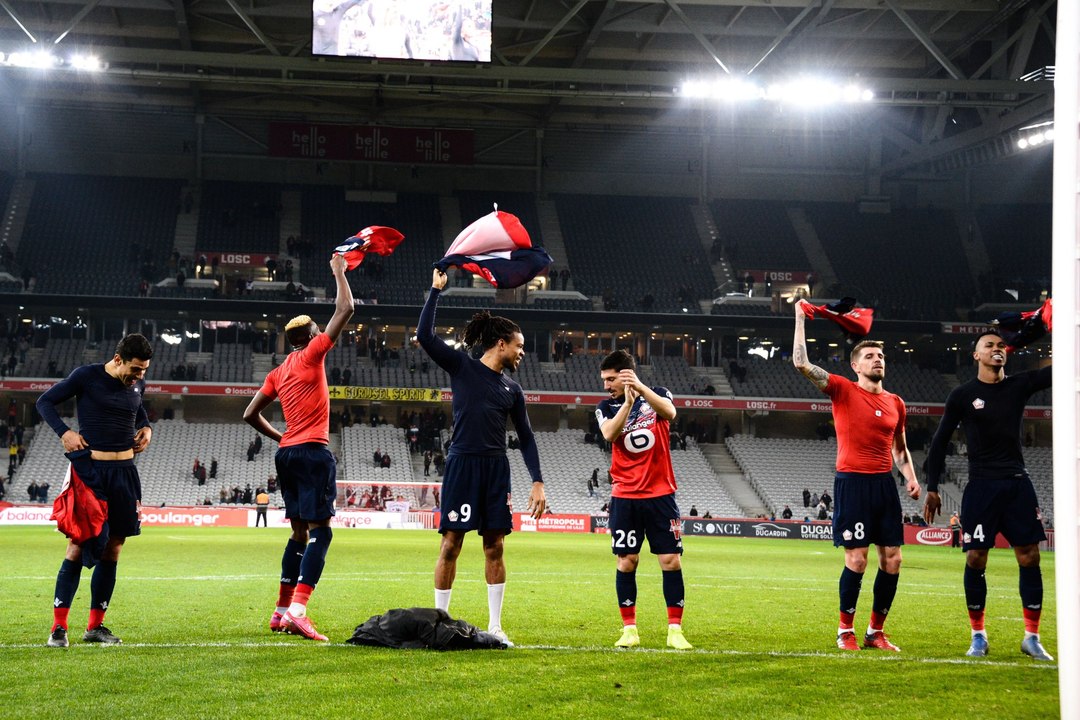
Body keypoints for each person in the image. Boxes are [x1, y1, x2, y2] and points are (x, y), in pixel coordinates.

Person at [417, 268, 546, 647]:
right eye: (519, 346)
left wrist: (537, 480)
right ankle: (440, 620)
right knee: (450, 544)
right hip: (461, 464)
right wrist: (435, 290)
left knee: (495, 546)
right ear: (502, 343)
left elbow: (525, 436)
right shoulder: (463, 367)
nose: (523, 353)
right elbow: (425, 336)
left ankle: (495, 625)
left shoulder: (513, 389)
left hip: (495, 468)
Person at [792, 302, 920, 653]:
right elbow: (801, 364)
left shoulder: (897, 402)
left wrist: (910, 476)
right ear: (855, 365)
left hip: (884, 485)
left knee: (892, 558)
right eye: (870, 356)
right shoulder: (842, 390)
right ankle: (844, 630)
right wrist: (801, 318)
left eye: (881, 356)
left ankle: (875, 632)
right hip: (852, 483)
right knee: (857, 559)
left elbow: (901, 448)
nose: (878, 360)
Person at [923, 329, 1054, 661]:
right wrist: (933, 487)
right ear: (976, 356)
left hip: (1016, 483)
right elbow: (939, 442)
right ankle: (978, 635)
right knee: (975, 558)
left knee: (1029, 556)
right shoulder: (963, 395)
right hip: (982, 486)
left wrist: (1057, 329)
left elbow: (1059, 369)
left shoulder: (1019, 385)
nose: (997, 350)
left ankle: (1032, 637)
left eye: (1001, 346)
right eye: (989, 346)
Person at [242, 253, 354, 642]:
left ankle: (279, 610)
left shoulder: (277, 371)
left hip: (287, 453)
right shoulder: (312, 354)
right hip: (312, 452)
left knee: (298, 534)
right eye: (318, 329)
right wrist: (339, 272)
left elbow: (249, 414)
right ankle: (300, 611)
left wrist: (282, 437)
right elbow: (348, 307)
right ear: (309, 337)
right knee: (322, 533)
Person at [37, 334, 154, 648]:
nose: (140, 376)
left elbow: (138, 409)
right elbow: (44, 402)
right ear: (118, 360)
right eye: (135, 369)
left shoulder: (137, 384)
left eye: (143, 370)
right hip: (91, 472)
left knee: (114, 546)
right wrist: (65, 432)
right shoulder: (86, 376)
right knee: (78, 544)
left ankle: (95, 627)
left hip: (126, 473)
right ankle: (58, 628)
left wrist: (147, 428)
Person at [597, 349, 692, 651]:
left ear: (626, 374)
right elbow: (610, 434)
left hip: (661, 493)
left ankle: (674, 630)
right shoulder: (605, 406)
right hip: (625, 496)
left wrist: (639, 389)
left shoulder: (659, 394)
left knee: (670, 560)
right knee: (627, 561)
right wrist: (626, 403)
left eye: (611, 379)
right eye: (604, 379)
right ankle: (629, 629)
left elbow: (670, 413)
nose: (605, 385)